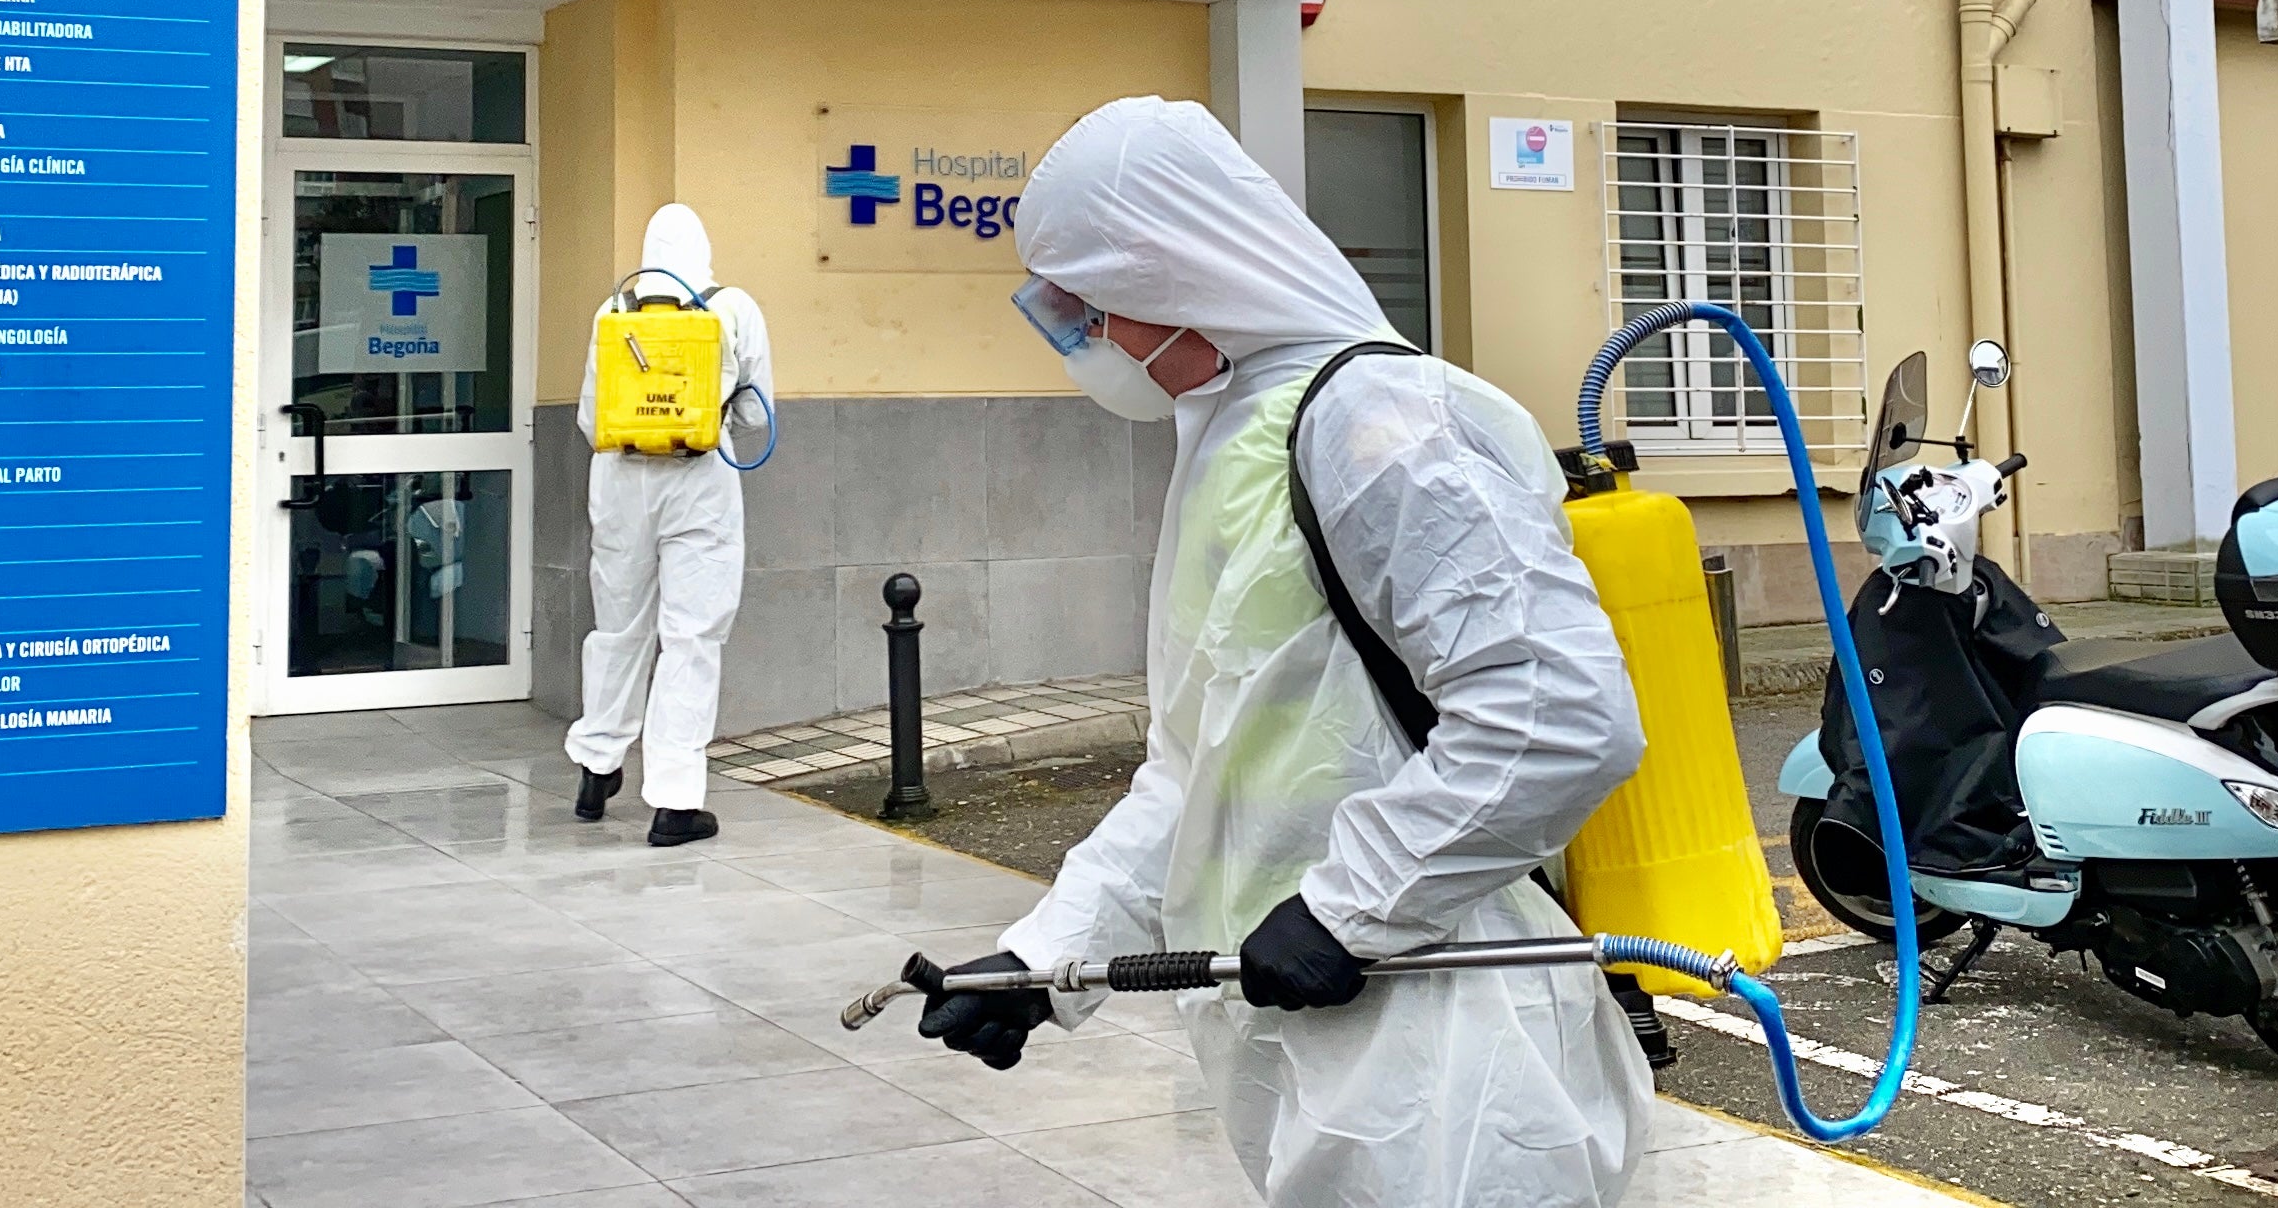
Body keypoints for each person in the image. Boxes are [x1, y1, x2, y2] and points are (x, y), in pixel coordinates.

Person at [916, 96, 1653, 1206]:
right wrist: (1045, 956)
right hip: (1314, 1040)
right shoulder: (1237, 442)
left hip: (1451, 1046)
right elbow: (1201, 764)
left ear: (1176, 278)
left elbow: (1558, 712)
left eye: (1090, 306)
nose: (1086, 338)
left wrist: (1354, 903)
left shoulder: (1375, 421)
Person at [563, 202, 770, 847]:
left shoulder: (612, 311)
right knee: (691, 638)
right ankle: (676, 803)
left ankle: (598, 768)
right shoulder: (732, 306)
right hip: (700, 483)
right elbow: (760, 417)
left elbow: (591, 419)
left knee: (618, 627)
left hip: (620, 484)